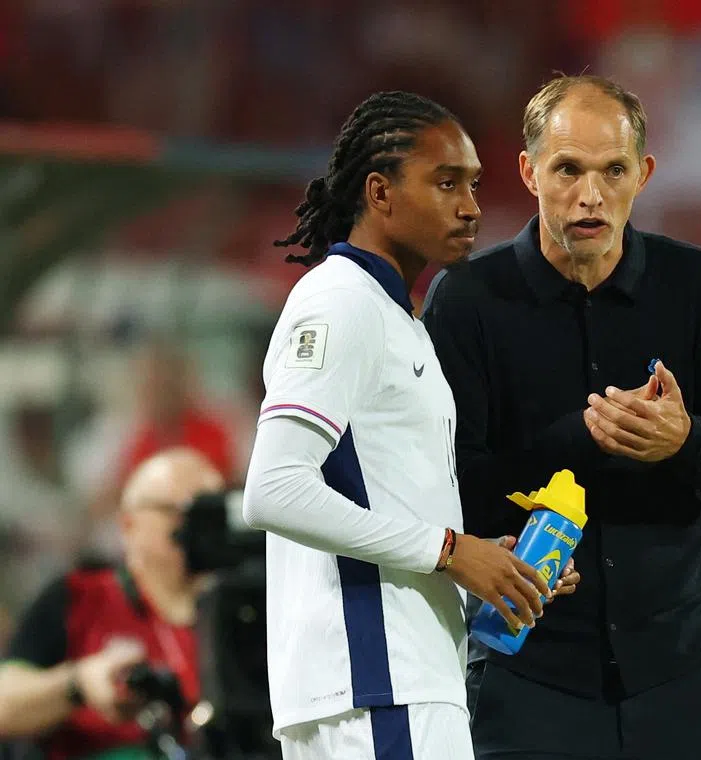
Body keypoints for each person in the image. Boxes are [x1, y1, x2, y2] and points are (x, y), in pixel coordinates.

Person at [422, 74, 701, 760]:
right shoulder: (467, 303)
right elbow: (447, 493)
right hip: (530, 674)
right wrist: (575, 442)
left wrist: (686, 440)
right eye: (568, 170)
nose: (590, 195)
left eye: (612, 170)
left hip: (682, 677)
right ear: (529, 172)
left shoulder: (698, 288)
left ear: (642, 174)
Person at [242, 91, 577, 760]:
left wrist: (488, 565)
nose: (471, 207)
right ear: (380, 192)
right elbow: (273, 489)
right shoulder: (342, 303)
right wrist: (453, 551)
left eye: (475, 185)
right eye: (446, 182)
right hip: (378, 685)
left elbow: (384, 505)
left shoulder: (397, 318)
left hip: (392, 682)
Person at [0, 448, 222, 760]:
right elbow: (5, 702)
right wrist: (79, 683)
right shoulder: (80, 595)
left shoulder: (242, 608)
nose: (199, 528)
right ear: (129, 526)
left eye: (215, 513)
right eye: (180, 512)